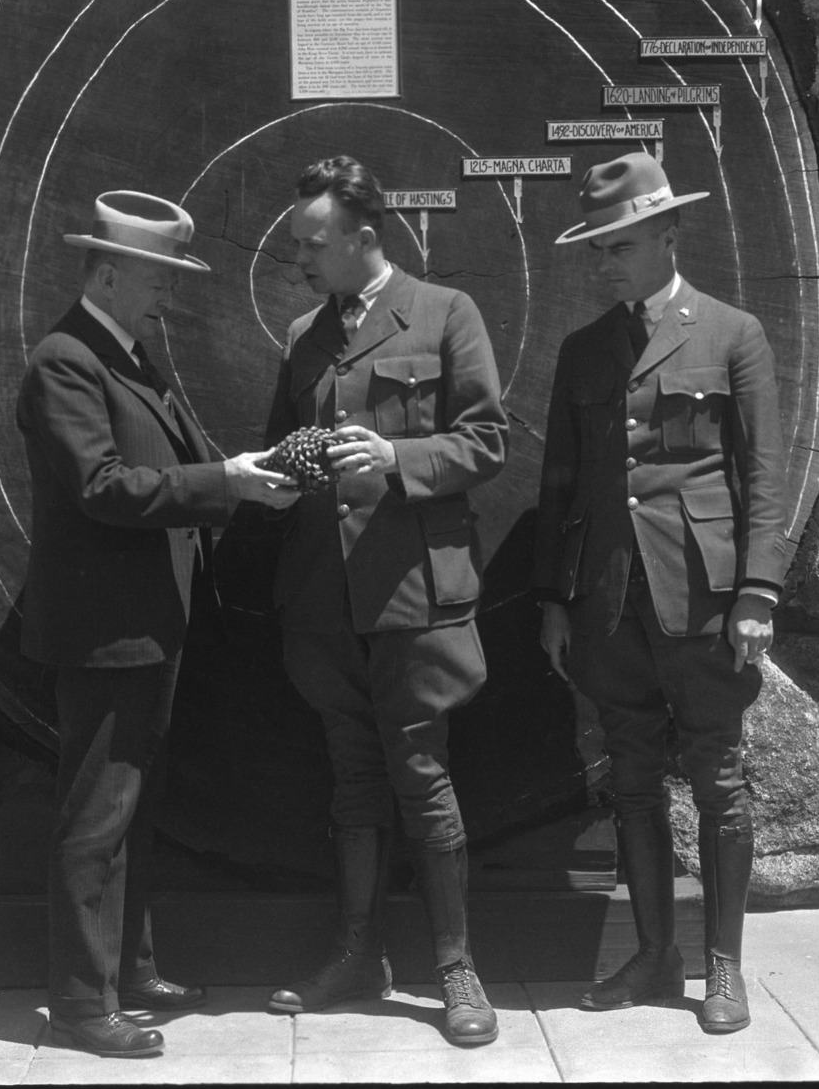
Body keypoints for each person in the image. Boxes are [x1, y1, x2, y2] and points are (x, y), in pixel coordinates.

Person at [17, 190, 298, 1058]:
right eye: (156, 277)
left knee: (130, 811)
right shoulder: (67, 362)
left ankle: (126, 970)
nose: (167, 295)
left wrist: (234, 478)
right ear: (105, 272)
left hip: (144, 626)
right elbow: (102, 487)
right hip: (107, 631)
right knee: (96, 816)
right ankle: (77, 1001)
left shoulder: (122, 353)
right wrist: (229, 480)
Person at [532, 151, 793, 1034]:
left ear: (669, 235)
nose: (608, 263)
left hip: (707, 599)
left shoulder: (731, 333)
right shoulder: (583, 349)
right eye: (599, 249)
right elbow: (560, 485)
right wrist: (553, 601)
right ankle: (653, 954)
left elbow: (763, 473)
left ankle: (723, 965)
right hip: (609, 603)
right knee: (633, 780)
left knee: (717, 776)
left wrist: (757, 592)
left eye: (623, 245)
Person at [263, 156, 509, 1047]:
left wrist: (397, 461)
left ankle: (455, 968)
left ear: (366, 238)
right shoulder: (301, 335)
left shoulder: (445, 313)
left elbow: (487, 441)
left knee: (423, 776)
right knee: (352, 778)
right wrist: (276, 476)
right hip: (324, 601)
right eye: (298, 244)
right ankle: (357, 954)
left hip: (413, 592)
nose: (302, 260)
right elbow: (280, 447)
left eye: (314, 244)